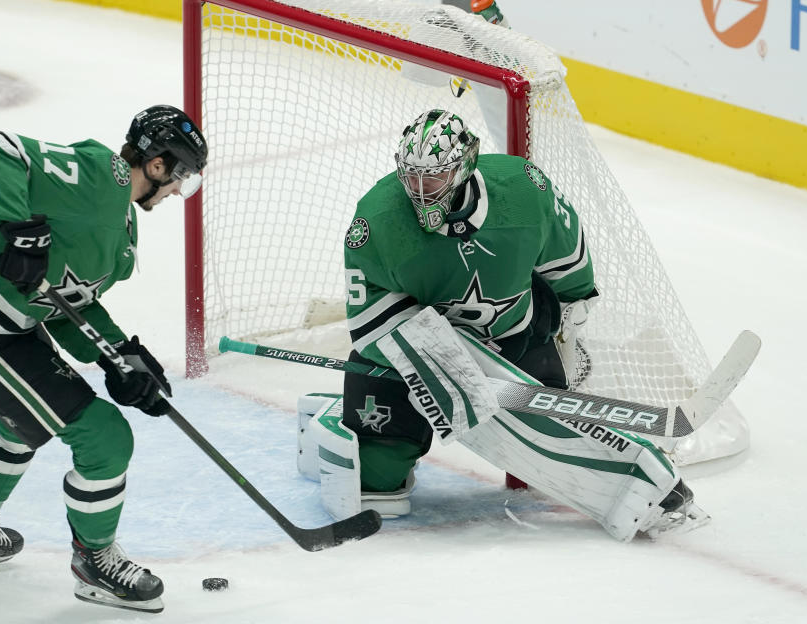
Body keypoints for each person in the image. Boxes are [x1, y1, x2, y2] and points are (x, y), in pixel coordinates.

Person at [296, 109, 708, 542]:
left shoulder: (522, 189)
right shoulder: (377, 220)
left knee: (553, 438)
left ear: (465, 166)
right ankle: (332, 419)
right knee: (378, 488)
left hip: (515, 340)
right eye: (411, 176)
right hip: (415, 351)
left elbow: (565, 250)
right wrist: (437, 367)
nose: (419, 190)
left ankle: (647, 487)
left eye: (433, 177)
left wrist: (574, 301)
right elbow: (369, 317)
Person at [0, 105, 207, 613]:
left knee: (25, 421)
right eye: (182, 179)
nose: (179, 192)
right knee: (103, 435)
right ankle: (95, 562)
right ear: (158, 166)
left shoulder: (123, 224)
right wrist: (19, 227)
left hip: (8, 326)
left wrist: (119, 356)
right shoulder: (98, 176)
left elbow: (68, 305)